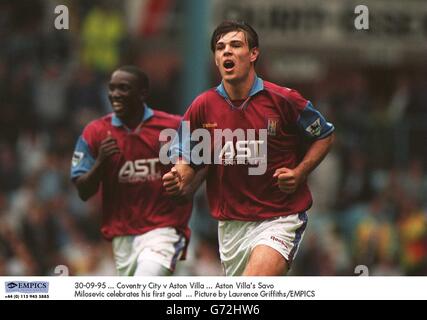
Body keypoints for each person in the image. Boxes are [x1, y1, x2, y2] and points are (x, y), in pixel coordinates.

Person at [163, 21, 335, 276]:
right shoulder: (203, 106)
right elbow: (185, 155)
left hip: (279, 219)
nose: (227, 52)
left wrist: (300, 172)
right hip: (230, 228)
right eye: (220, 48)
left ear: (253, 53)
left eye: (235, 45)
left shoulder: (284, 100)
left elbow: (324, 135)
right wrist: (179, 174)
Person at [70, 65, 194, 276]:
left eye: (124, 88)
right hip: (122, 237)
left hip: (164, 230)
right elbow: (83, 191)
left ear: (142, 93)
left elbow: (203, 162)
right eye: (112, 88)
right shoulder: (96, 132)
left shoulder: (173, 127)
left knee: (144, 282)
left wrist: (187, 187)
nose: (115, 94)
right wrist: (101, 163)